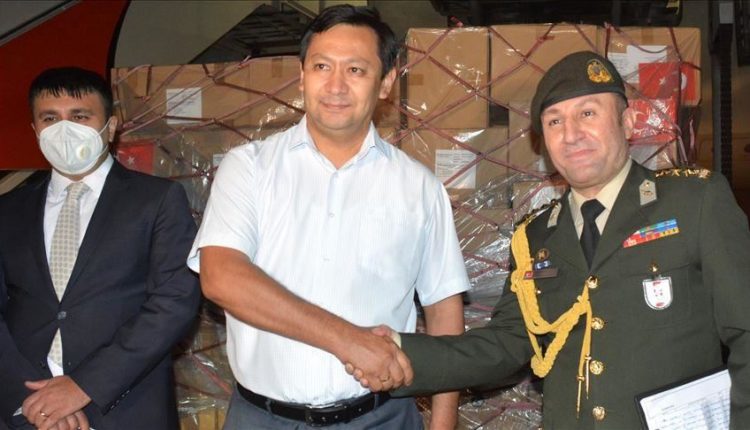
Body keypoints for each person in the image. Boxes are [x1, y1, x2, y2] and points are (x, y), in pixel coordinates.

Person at [359, 51, 750, 429]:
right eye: (554, 121)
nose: (571, 134)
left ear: (628, 122)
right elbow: (506, 345)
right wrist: (398, 350)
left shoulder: (694, 203)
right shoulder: (536, 237)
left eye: (588, 113)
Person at [188, 4, 469, 429]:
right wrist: (348, 341)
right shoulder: (249, 168)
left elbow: (444, 311)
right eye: (321, 66)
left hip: (380, 418)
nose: (335, 85)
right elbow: (221, 277)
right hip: (263, 418)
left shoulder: (419, 188)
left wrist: (443, 423)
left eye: (355, 70)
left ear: (386, 82)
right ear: (302, 76)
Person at [0, 67, 201, 430]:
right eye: (50, 118)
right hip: (27, 410)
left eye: (80, 116)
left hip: (124, 407)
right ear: (35, 130)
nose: (64, 130)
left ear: (110, 127)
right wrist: (31, 400)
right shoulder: (9, 209)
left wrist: (83, 386)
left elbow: (174, 301)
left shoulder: (156, 200)